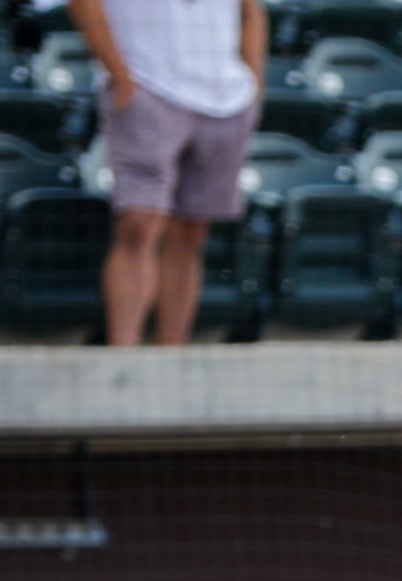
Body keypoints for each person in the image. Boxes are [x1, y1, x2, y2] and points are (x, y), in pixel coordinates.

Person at [68, 0, 265, 346]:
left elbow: (251, 11)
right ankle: (123, 364)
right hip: (147, 86)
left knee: (191, 232)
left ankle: (171, 359)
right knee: (139, 224)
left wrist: (254, 85)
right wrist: (121, 79)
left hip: (225, 97)